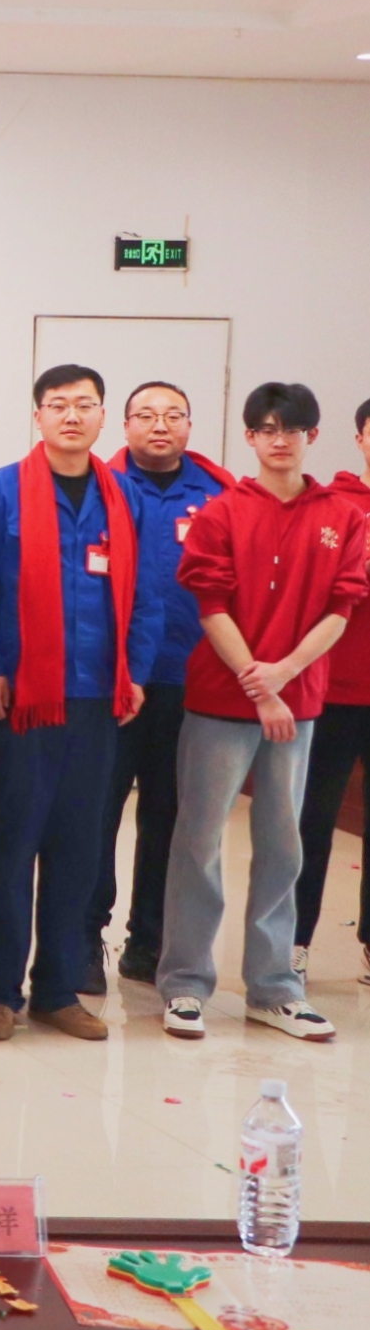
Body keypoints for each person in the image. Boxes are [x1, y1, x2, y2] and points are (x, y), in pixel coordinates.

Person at [159, 383, 366, 1044]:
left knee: (283, 842)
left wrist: (284, 675)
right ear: (249, 436)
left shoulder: (342, 516)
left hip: (298, 704)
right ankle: (185, 982)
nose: (280, 440)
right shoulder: (221, 511)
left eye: (292, 429)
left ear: (312, 436)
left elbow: (341, 608)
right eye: (268, 428)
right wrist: (260, 684)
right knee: (199, 841)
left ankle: (274, 987)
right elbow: (210, 604)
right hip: (220, 702)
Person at [0, 364, 162, 1043]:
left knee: (79, 847)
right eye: (58, 405)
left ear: (103, 416)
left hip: (97, 700)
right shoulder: (0, 492)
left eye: (84, 404)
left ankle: (56, 990)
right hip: (22, 700)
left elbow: (147, 595)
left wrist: (135, 670)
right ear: (38, 416)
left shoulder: (124, 496)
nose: (71, 416)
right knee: (12, 846)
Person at [95, 381, 232, 990]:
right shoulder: (100, 486)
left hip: (188, 679)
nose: (159, 425)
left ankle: (148, 941)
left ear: (189, 426)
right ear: (124, 426)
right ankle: (85, 934)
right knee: (97, 813)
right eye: (146, 415)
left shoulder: (219, 493)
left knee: (168, 817)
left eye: (173, 415)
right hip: (112, 680)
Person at [298, 403, 370, 984]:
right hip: (333, 690)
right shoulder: (332, 506)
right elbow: (307, 587)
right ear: (360, 439)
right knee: (312, 818)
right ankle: (294, 942)